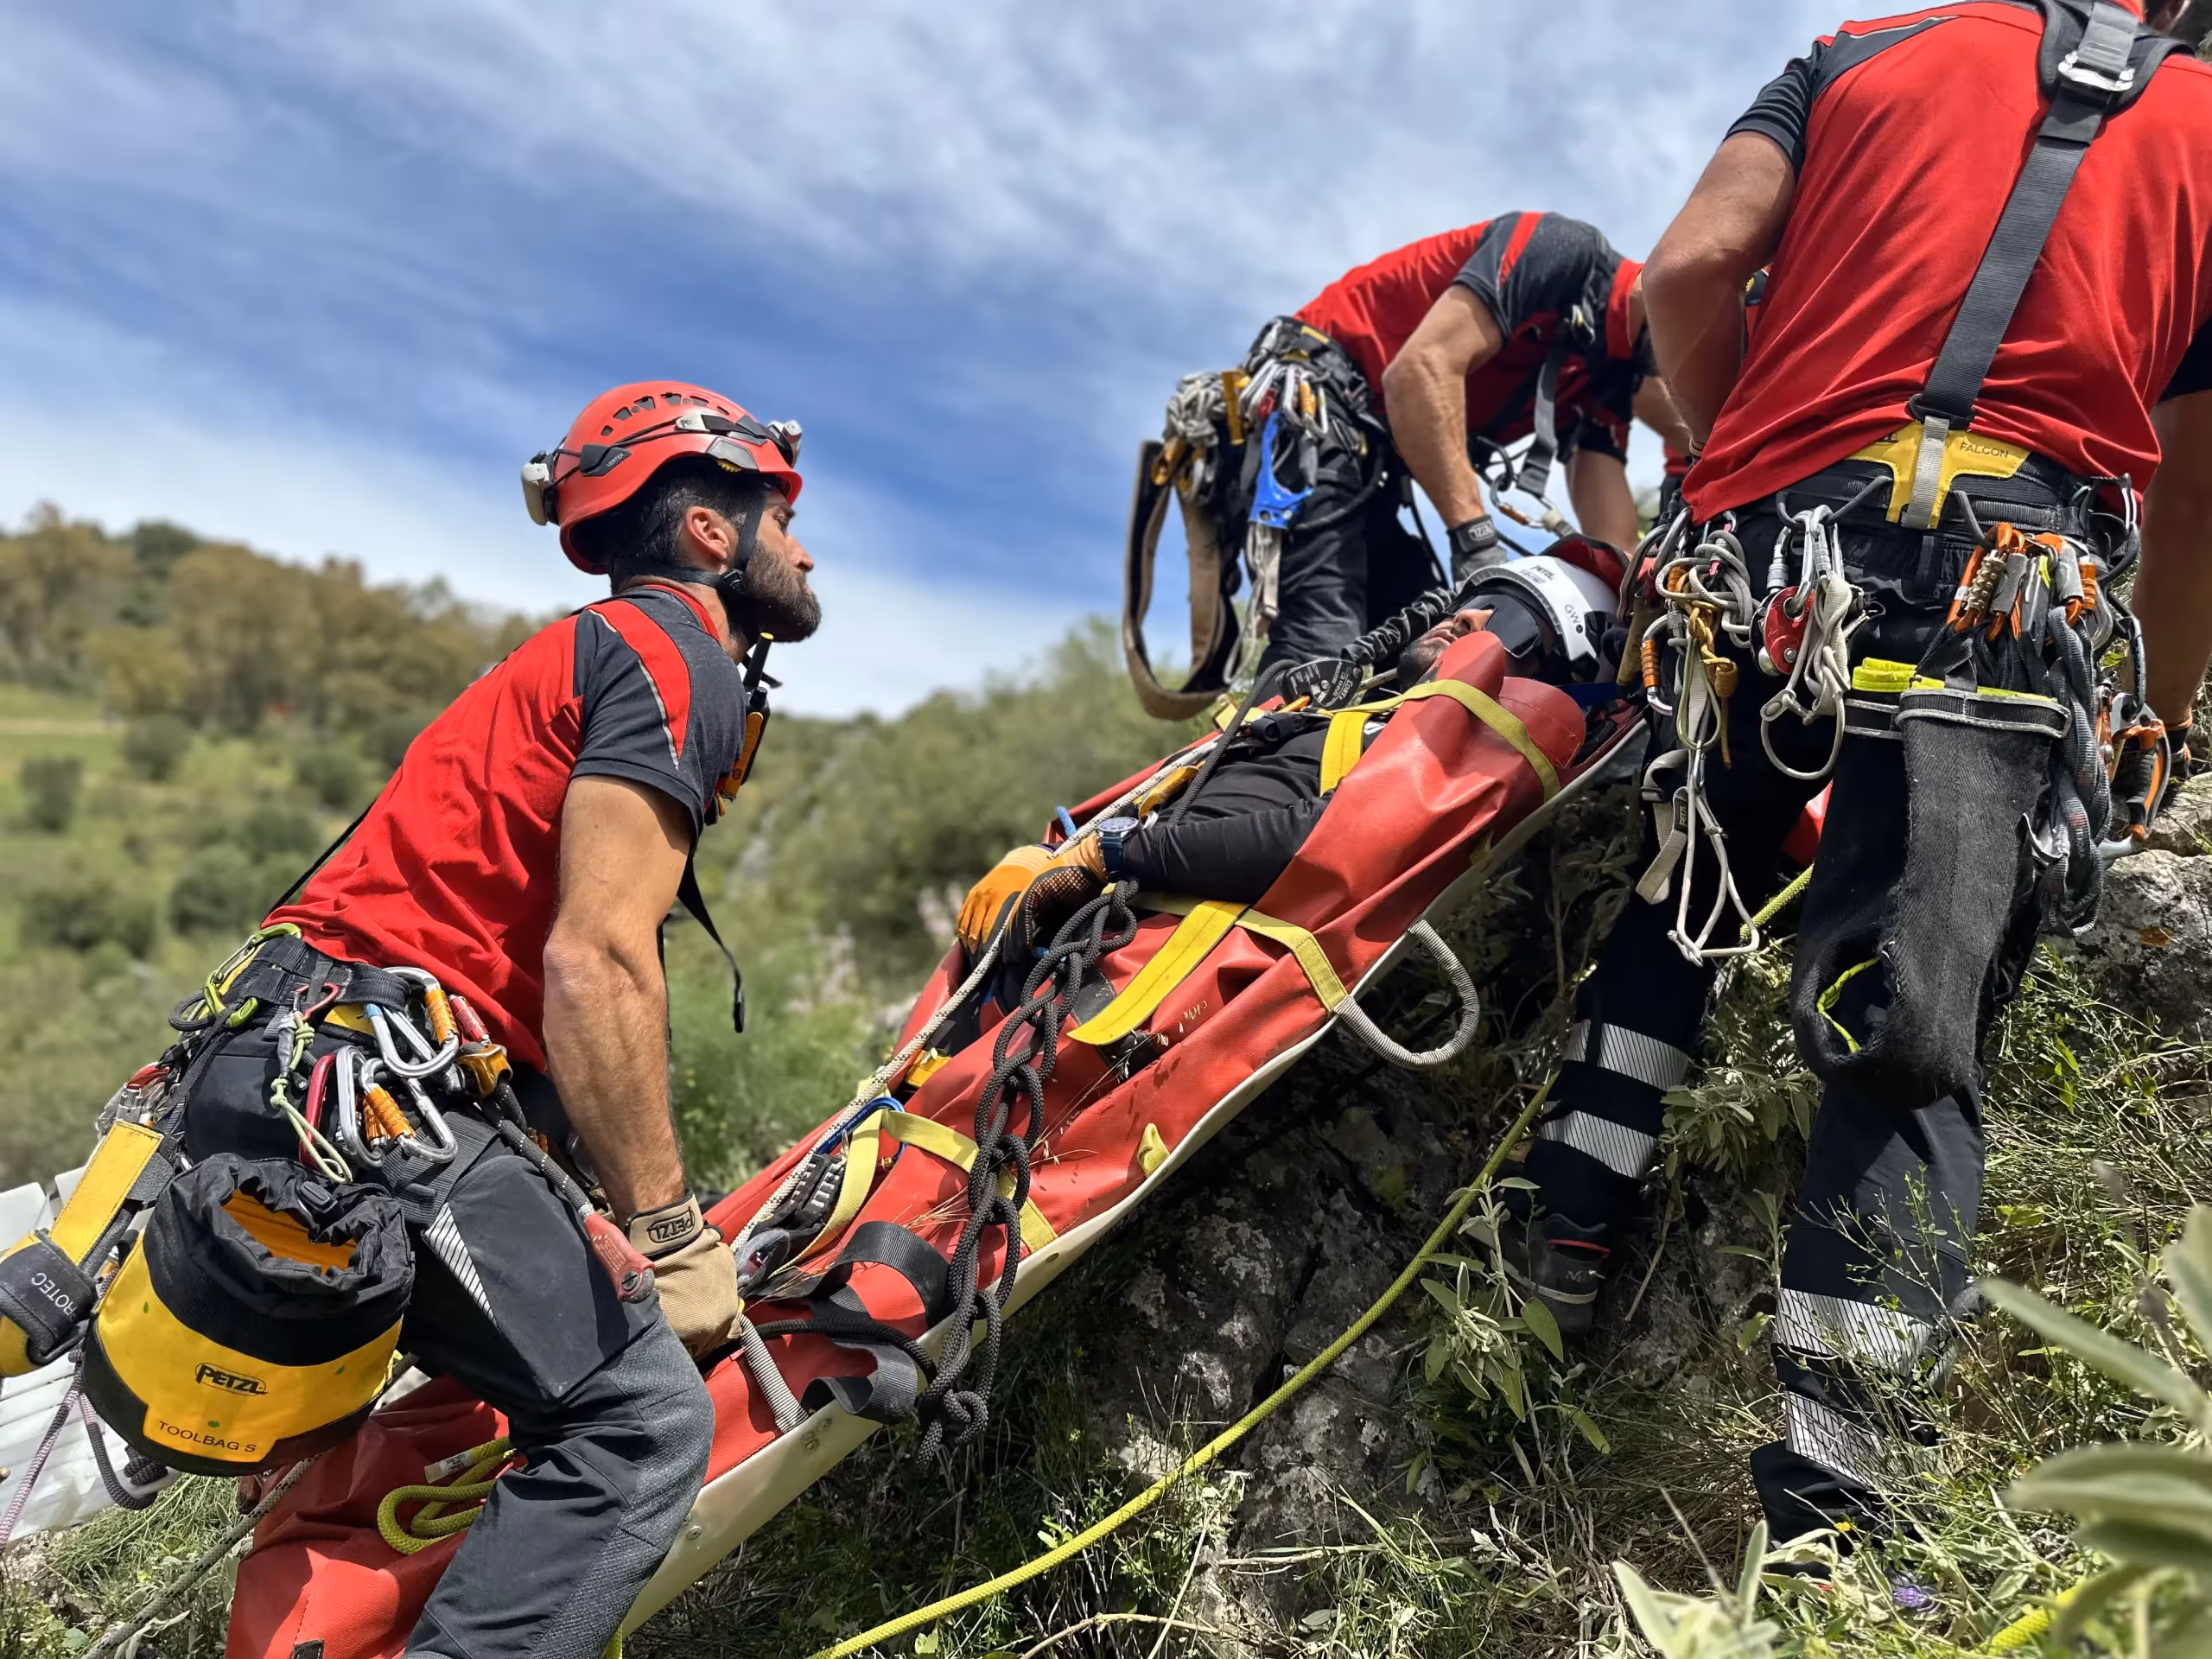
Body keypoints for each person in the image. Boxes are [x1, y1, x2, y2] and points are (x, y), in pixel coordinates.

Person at [1502, 0, 2212, 1545]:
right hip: (2004, 592)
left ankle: (1557, 1238)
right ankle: (1834, 1523)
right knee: (1908, 1026)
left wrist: (1749, 444)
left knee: (1685, 899)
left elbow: (1691, 269)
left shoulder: (1859, 52)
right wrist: (2153, 713)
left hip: (1763, 560)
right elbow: (2204, 487)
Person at [174, 381, 820, 1659]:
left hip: (293, 1066)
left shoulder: (558, 662)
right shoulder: (669, 652)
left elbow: (511, 998)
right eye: (782, 518)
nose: (802, 548)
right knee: (636, 1423)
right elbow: (595, 962)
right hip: (370, 1089)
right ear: (707, 535)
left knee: (525, 1376)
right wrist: (671, 1233)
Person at [1232, 213, 1690, 671]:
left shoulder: (1614, 366)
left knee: (1414, 653)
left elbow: (1610, 546)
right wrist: (1477, 544)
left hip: (1373, 462)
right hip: (1311, 401)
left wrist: (1637, 613)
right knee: (1321, 643)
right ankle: (1263, 734)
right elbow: (1418, 372)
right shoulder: (1562, 250)